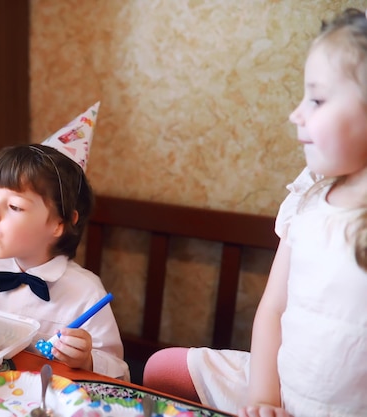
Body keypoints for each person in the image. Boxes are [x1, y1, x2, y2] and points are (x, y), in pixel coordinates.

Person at [143, 8, 367, 417]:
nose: (296, 113)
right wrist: (262, 401)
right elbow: (274, 309)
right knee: (162, 369)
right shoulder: (309, 193)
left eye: (316, 99)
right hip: (278, 388)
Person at [0, 104, 129, 380]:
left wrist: (88, 359)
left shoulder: (86, 292)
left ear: (59, 223)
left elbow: (120, 373)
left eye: (14, 206)